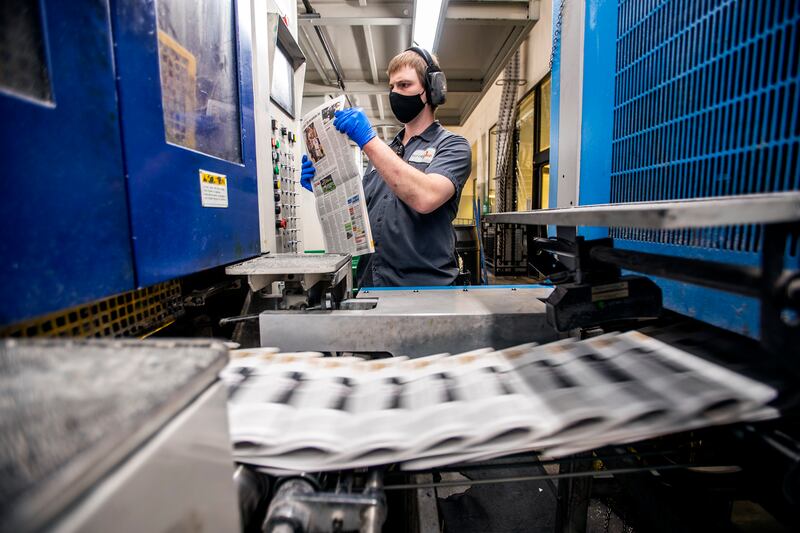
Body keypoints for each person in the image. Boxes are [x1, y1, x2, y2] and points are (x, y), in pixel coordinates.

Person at [301, 47, 472, 287]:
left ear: (431, 91)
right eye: (391, 87)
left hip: (426, 290)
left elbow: (426, 196)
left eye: (404, 85)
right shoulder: (386, 153)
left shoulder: (453, 146)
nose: (395, 94)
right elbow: (357, 213)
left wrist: (368, 141)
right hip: (372, 286)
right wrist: (324, 187)